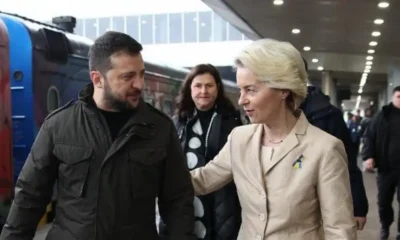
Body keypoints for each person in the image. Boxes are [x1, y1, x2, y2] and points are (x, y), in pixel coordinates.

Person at [0, 31, 195, 240]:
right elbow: (30, 196)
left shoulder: (159, 128)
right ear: (97, 79)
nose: (139, 84)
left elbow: (178, 201)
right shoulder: (58, 126)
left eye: (141, 74)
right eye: (128, 76)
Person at [190, 38, 357, 240]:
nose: (242, 100)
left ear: (283, 89)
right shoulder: (239, 139)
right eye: (241, 90)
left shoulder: (325, 149)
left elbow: (339, 231)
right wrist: (151, 177)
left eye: (250, 90)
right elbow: (203, 179)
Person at [159, 64, 242, 240]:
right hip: (187, 202)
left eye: (209, 85)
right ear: (190, 89)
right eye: (198, 85)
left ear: (218, 88)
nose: (203, 91)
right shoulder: (176, 123)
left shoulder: (233, 123)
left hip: (224, 202)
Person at [300, 59, 368, 230]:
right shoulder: (264, 116)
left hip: (319, 209)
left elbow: (347, 163)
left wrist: (358, 206)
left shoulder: (328, 115)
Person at [363, 86, 400, 240]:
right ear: (393, 97)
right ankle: (385, 225)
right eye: (399, 96)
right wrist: (369, 156)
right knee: (384, 201)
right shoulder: (382, 116)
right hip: (386, 168)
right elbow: (369, 137)